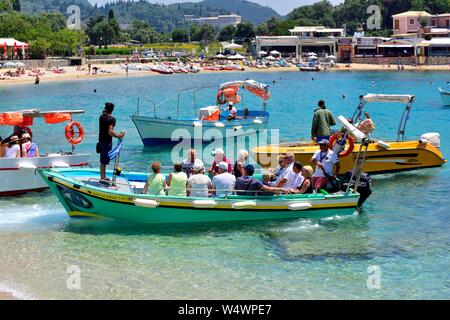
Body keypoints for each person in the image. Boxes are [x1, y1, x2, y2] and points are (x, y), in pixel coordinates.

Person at [98, 102, 125, 182]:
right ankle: (103, 178)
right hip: (107, 141)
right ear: (112, 110)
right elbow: (110, 131)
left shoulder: (101, 117)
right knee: (105, 160)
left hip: (101, 141)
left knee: (103, 160)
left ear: (105, 108)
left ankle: (103, 176)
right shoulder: (112, 119)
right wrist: (118, 135)